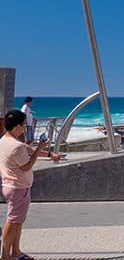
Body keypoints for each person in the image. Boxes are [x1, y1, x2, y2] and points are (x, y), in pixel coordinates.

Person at [1, 109, 61, 260]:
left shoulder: (3, 141)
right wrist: (40, 149)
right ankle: (5, 255)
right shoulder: (16, 146)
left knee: (17, 221)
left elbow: (29, 150)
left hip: (9, 186)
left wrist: (49, 154)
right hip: (18, 188)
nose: (24, 128)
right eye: (23, 125)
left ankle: (16, 251)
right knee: (13, 221)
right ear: (16, 126)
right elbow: (26, 166)